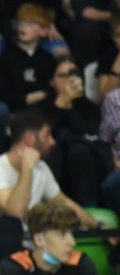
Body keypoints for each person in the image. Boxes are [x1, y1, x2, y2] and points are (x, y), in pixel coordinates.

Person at [0, 107, 102, 269]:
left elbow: (63, 202)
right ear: (29, 138)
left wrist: (98, 226)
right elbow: (16, 211)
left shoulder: (41, 168)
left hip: (21, 247)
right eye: (47, 135)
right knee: (10, 224)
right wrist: (27, 168)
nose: (53, 142)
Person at [39, 57, 107, 206]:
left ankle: (88, 207)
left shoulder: (91, 108)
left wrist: (69, 107)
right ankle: (48, 207)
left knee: (79, 150)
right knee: (54, 149)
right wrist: (60, 104)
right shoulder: (41, 107)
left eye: (73, 75)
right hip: (54, 161)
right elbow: (43, 137)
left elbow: (88, 136)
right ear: (51, 81)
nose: (69, 80)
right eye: (62, 76)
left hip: (87, 164)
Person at [0, 3, 58, 112]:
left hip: (43, 111)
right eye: (21, 22)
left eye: (30, 24)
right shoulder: (5, 57)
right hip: (15, 111)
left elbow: (53, 89)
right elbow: (0, 92)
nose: (23, 26)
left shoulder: (48, 60)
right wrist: (25, 99)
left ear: (44, 31)